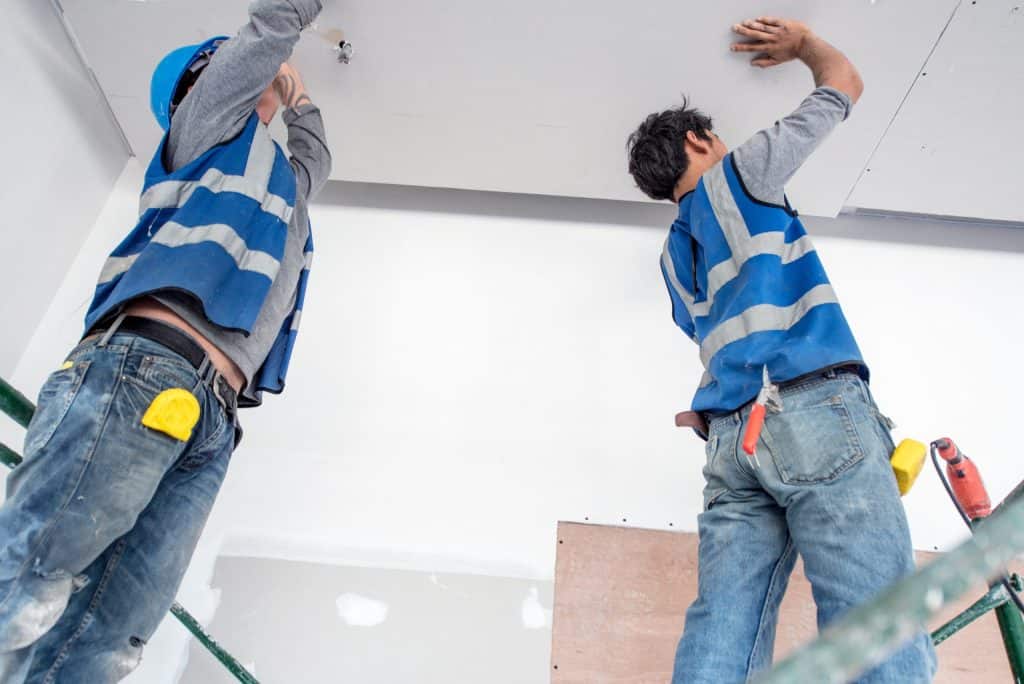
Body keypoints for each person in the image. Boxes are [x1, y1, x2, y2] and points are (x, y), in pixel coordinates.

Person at [0, 0, 329, 680]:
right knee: (34, 575)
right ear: (200, 87)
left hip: (213, 422)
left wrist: (303, 102)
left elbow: (316, 163)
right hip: (144, 368)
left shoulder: (279, 193)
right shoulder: (202, 130)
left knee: (112, 638)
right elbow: (269, 31)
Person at [626, 16, 936, 683]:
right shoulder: (741, 174)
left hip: (732, 441)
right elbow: (843, 85)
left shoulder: (672, 257)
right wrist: (804, 48)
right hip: (811, 410)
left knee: (724, 625)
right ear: (698, 139)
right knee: (872, 618)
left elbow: (717, 340)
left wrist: (716, 410)